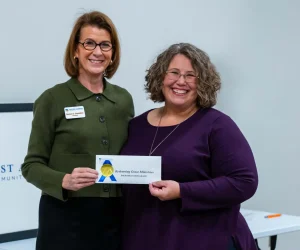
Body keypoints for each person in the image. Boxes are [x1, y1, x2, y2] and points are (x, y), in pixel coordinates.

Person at [120, 43, 258, 250]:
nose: (181, 81)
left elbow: (245, 182)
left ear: (203, 83)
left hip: (203, 241)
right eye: (174, 72)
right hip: (145, 238)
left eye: (191, 75)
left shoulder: (218, 125)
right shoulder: (136, 125)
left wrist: (182, 191)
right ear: (160, 77)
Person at [21, 11, 134, 250]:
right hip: (65, 217)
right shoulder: (52, 99)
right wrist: (64, 180)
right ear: (75, 50)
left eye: (105, 45)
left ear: (113, 53)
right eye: (89, 43)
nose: (97, 52)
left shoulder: (123, 100)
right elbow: (31, 166)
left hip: (114, 218)